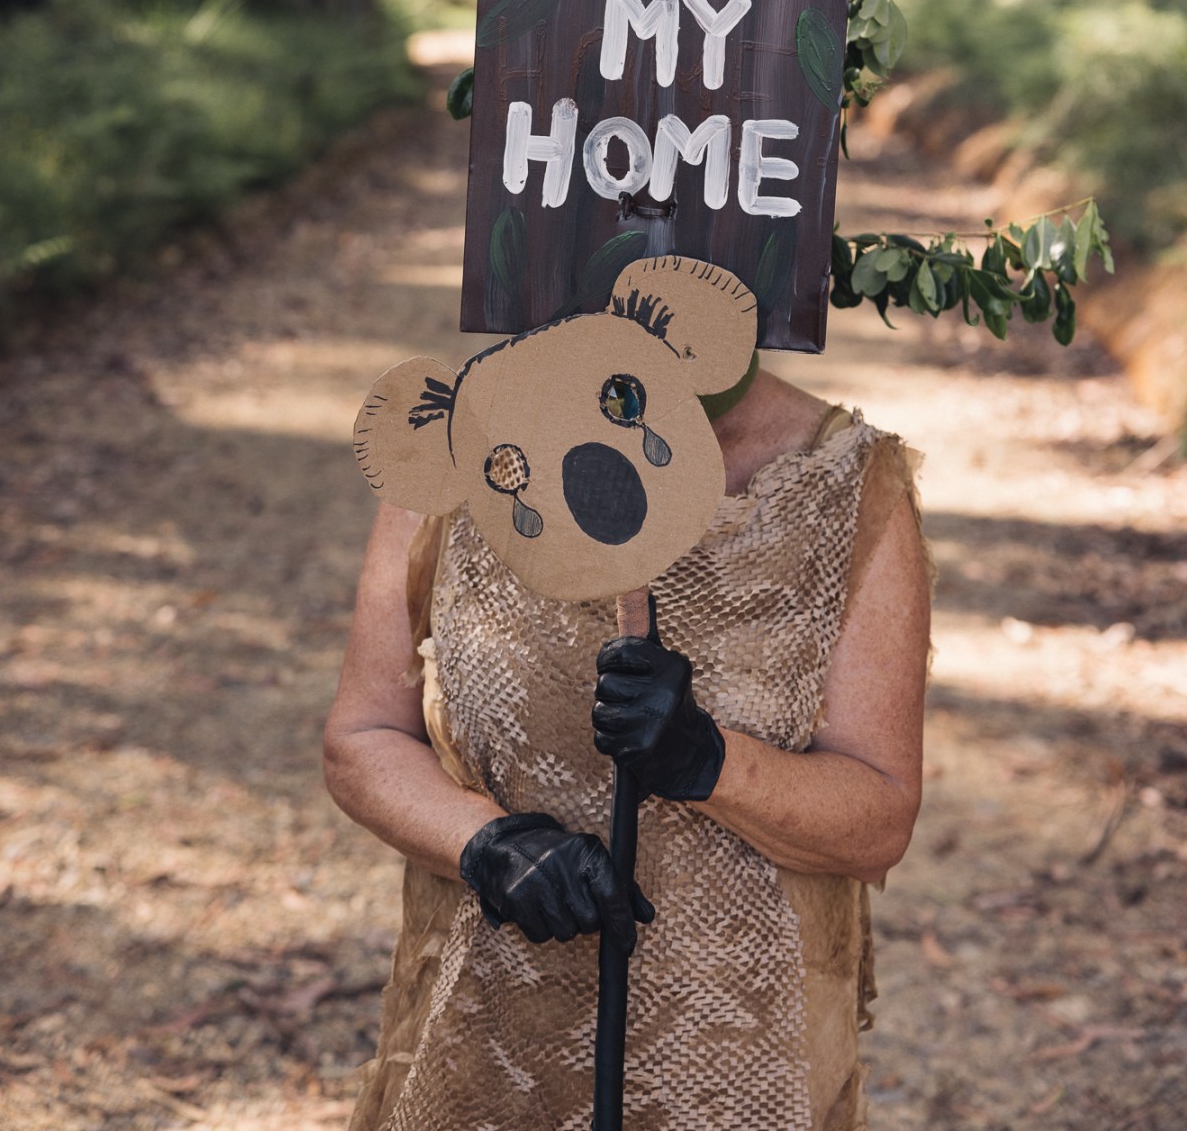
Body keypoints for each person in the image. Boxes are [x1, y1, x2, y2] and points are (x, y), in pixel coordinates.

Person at [324, 360, 931, 1131]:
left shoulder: (843, 480)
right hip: (488, 1042)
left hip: (740, 1063)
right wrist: (486, 845)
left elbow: (878, 821)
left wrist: (708, 762)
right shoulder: (455, 443)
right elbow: (362, 736)